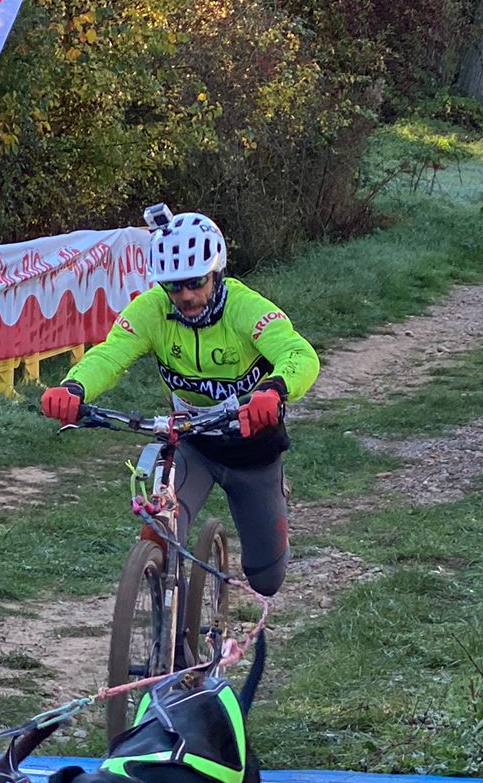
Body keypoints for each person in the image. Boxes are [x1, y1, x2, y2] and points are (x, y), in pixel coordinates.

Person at [40, 210, 318, 596]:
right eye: (174, 286)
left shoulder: (244, 308)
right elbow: (110, 355)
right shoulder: (153, 309)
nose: (186, 295)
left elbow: (299, 354)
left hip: (254, 450)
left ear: (217, 273)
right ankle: (166, 630)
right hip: (193, 445)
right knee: (158, 535)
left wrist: (275, 390)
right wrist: (73, 388)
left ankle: (273, 495)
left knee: (266, 580)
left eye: (196, 282)